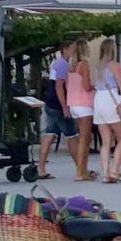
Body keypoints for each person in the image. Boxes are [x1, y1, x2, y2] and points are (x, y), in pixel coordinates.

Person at [90, 38, 121, 183]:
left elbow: (93, 84)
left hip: (98, 101)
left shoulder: (97, 67)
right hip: (111, 101)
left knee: (105, 141)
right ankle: (115, 171)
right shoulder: (114, 66)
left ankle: (105, 174)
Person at [36, 41, 78, 179]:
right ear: (65, 49)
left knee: (49, 134)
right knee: (71, 135)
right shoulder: (62, 65)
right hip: (58, 105)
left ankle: (41, 168)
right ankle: (81, 168)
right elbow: (59, 87)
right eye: (72, 48)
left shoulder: (57, 63)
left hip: (51, 104)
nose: (74, 51)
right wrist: (65, 107)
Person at [65, 39, 99, 180]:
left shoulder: (70, 67)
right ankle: (81, 172)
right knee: (85, 139)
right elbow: (86, 86)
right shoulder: (83, 65)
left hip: (73, 104)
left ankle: (82, 170)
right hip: (84, 104)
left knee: (82, 138)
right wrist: (94, 85)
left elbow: (67, 86)